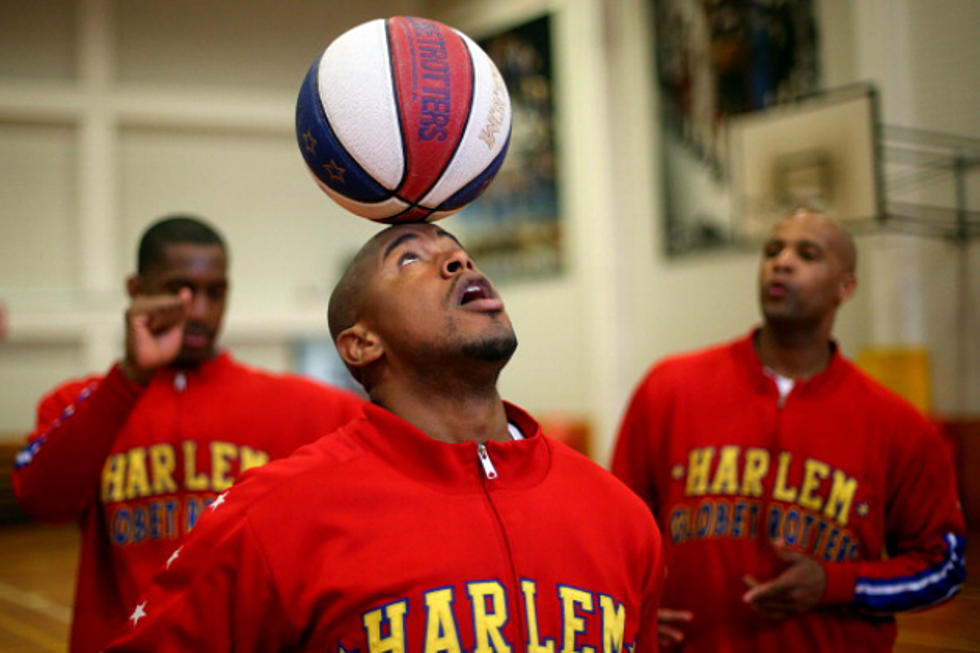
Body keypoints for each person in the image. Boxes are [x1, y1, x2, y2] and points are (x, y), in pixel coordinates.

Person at [105, 222, 665, 652]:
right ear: (361, 344)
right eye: (411, 259)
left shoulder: (619, 516)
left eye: (459, 252)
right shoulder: (270, 518)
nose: (457, 260)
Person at [611, 208, 967, 651]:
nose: (782, 262)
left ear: (846, 286)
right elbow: (613, 530)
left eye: (808, 253)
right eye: (773, 250)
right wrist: (632, 608)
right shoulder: (669, 388)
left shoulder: (898, 425)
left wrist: (838, 583)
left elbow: (944, 568)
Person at [12, 215, 365, 653]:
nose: (198, 311)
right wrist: (130, 377)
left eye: (214, 293)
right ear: (137, 291)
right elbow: (42, 502)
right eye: (181, 290)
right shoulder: (78, 403)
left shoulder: (305, 406)